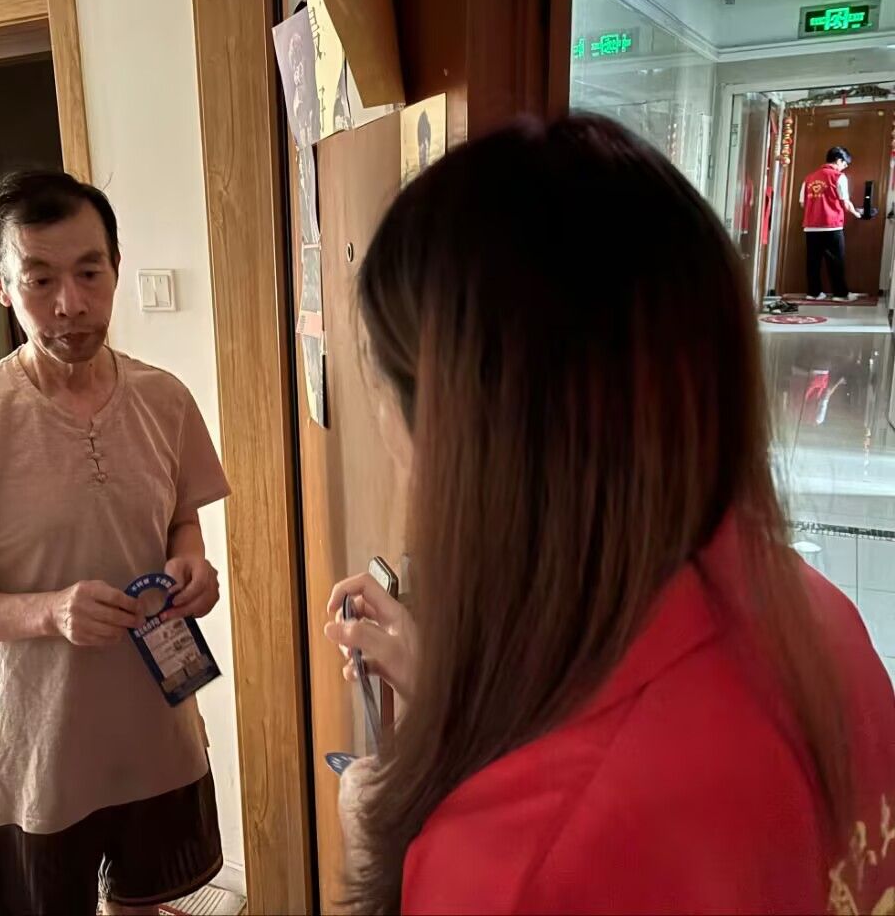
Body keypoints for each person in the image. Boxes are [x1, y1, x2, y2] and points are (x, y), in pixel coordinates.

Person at [324, 115, 895, 914]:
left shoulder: (518, 861)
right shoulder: (819, 618)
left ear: (466, 448)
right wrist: (457, 701)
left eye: (383, 398)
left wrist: (388, 848)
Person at [0, 170, 231, 915]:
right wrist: (49, 611)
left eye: (89, 273)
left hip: (159, 730)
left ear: (115, 270)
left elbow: (179, 517)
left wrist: (191, 561)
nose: (70, 303)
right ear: (3, 288)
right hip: (43, 754)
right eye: (39, 280)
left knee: (145, 903)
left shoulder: (165, 398)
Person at [801, 145, 863, 302]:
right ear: (838, 160)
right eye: (845, 163)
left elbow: (802, 202)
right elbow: (846, 202)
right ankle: (840, 294)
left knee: (813, 261)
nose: (845, 167)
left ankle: (814, 293)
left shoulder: (809, 178)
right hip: (832, 225)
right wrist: (858, 214)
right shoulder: (838, 177)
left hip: (811, 226)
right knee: (836, 261)